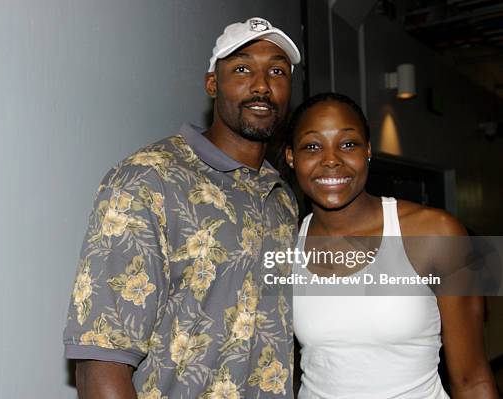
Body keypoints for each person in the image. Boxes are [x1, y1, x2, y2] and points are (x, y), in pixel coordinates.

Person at [63, 17, 302, 398]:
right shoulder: (149, 179)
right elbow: (100, 361)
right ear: (212, 84)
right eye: (242, 68)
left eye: (277, 70)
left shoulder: (282, 199)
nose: (262, 85)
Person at [284, 92, 498, 398]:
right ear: (291, 157)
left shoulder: (436, 233)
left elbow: (473, 380)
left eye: (348, 144)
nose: (331, 160)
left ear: (368, 150)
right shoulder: (284, 242)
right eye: (312, 146)